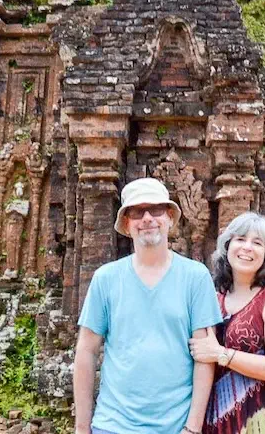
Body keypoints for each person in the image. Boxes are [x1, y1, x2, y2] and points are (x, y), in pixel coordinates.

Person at [73, 178, 222, 434]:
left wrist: (193, 427)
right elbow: (86, 352)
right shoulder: (106, 278)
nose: (147, 218)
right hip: (113, 424)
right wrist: (81, 428)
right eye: (137, 212)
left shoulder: (195, 277)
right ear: (127, 224)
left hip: (176, 426)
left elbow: (205, 356)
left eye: (155, 210)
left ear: (169, 217)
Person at [188, 212, 265, 434]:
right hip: (219, 417)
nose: (247, 247)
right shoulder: (214, 299)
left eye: (257, 243)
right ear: (227, 246)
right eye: (240, 239)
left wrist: (221, 354)